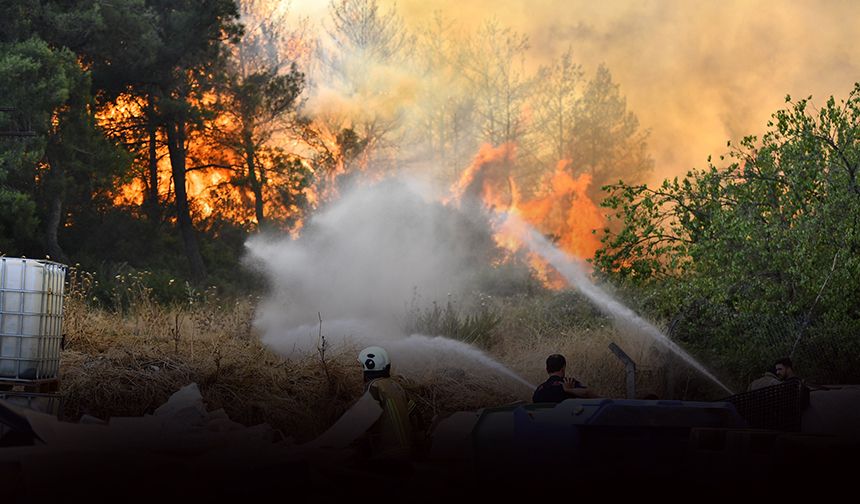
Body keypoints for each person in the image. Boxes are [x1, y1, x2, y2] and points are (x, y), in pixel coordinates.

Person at [357, 346, 420, 464]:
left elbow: (361, 424)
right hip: (409, 453)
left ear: (369, 366)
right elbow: (415, 415)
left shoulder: (373, 386)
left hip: (387, 456)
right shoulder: (396, 386)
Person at [532, 353, 596, 403]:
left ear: (547, 369)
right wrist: (570, 390)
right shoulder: (568, 383)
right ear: (563, 368)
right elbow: (588, 394)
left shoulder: (539, 390)